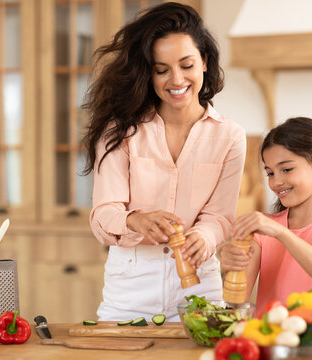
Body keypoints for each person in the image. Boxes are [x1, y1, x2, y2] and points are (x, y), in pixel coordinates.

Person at [82, 2, 246, 321]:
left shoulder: (230, 136)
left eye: (186, 65)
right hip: (129, 289)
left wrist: (205, 236)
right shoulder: (120, 132)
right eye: (162, 69)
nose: (176, 80)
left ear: (205, 62)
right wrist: (135, 220)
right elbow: (103, 214)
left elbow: (220, 216)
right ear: (149, 72)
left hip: (200, 287)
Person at [220, 117, 312, 316]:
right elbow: (234, 304)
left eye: (286, 169)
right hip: (269, 341)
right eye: (270, 173)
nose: (276, 182)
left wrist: (282, 233)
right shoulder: (263, 232)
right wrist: (228, 270)